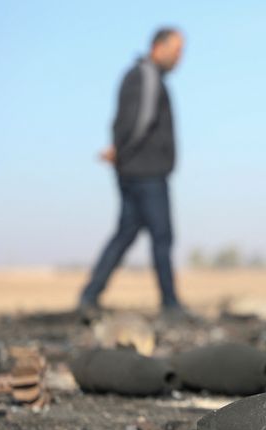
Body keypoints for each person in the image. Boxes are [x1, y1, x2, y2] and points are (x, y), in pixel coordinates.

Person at [79, 28, 188, 318]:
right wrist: (122, 150)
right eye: (177, 50)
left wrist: (119, 151)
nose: (180, 57)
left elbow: (127, 120)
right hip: (146, 171)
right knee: (161, 236)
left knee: (126, 233)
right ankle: (170, 304)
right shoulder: (147, 75)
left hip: (134, 168)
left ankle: (90, 295)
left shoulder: (141, 76)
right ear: (158, 47)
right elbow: (139, 120)